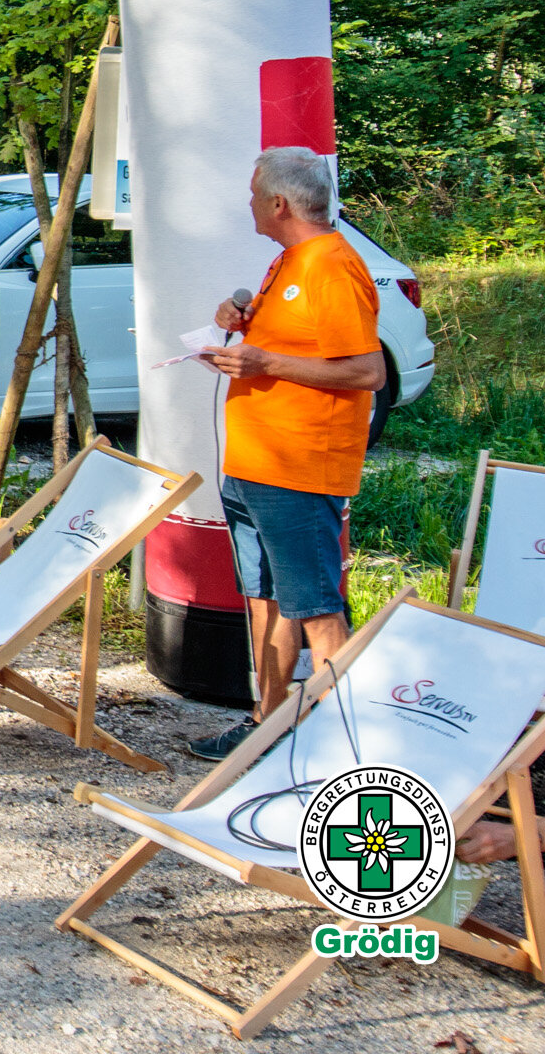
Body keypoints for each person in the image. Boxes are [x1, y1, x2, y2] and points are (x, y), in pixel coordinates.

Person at [187, 145, 386, 762]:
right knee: (266, 599)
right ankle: (267, 725)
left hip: (299, 467)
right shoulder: (288, 262)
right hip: (253, 462)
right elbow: (299, 346)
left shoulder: (332, 265)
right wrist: (242, 324)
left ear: (278, 203)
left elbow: (368, 370)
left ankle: (345, 754)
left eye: (252, 195)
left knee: (317, 607)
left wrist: (263, 360)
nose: (247, 203)